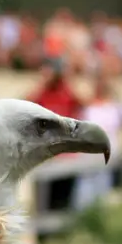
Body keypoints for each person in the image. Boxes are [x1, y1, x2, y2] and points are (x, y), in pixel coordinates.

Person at [26, 58, 86, 215]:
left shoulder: (66, 93)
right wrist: (42, 83)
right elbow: (24, 105)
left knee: (64, 203)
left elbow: (82, 103)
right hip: (45, 157)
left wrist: (68, 79)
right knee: (43, 204)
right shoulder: (43, 93)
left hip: (66, 157)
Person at [73, 73, 122, 209]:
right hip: (89, 157)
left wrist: (118, 96)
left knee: (103, 193)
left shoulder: (115, 108)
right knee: (85, 193)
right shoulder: (89, 108)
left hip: (108, 160)